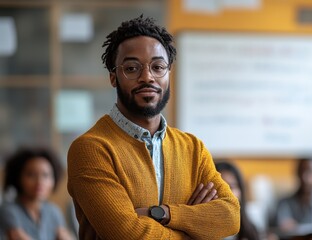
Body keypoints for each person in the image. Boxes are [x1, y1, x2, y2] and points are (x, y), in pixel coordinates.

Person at [67, 14, 240, 239]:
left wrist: (162, 214)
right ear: (113, 77)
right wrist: (194, 230)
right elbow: (127, 234)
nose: (147, 77)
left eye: (158, 67)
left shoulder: (192, 148)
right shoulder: (91, 149)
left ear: (168, 73)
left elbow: (231, 216)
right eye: (132, 68)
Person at [0, 147, 74, 240]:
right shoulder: (8, 210)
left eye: (46, 175)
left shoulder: (53, 211)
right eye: (31, 175)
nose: (40, 182)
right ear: (18, 178)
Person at [215, 161, 260, 240]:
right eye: (220, 187)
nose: (227, 193)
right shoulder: (199, 231)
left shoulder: (251, 230)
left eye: (231, 186)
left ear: (241, 190)